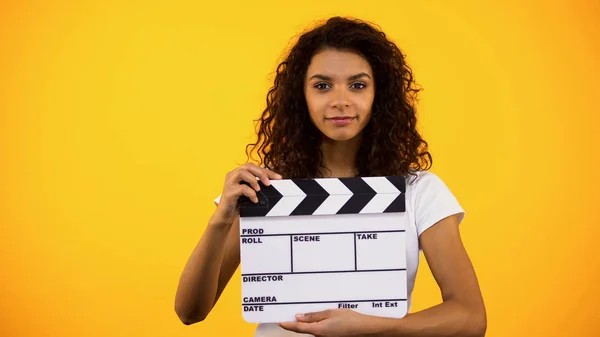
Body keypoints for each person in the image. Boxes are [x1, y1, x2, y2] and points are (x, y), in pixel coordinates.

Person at [175, 16, 486, 337]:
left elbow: (470, 317)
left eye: (358, 85)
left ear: (380, 94)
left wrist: (370, 326)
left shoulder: (420, 191)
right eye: (322, 85)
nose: (340, 100)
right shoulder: (265, 188)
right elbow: (190, 311)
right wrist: (221, 218)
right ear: (301, 96)